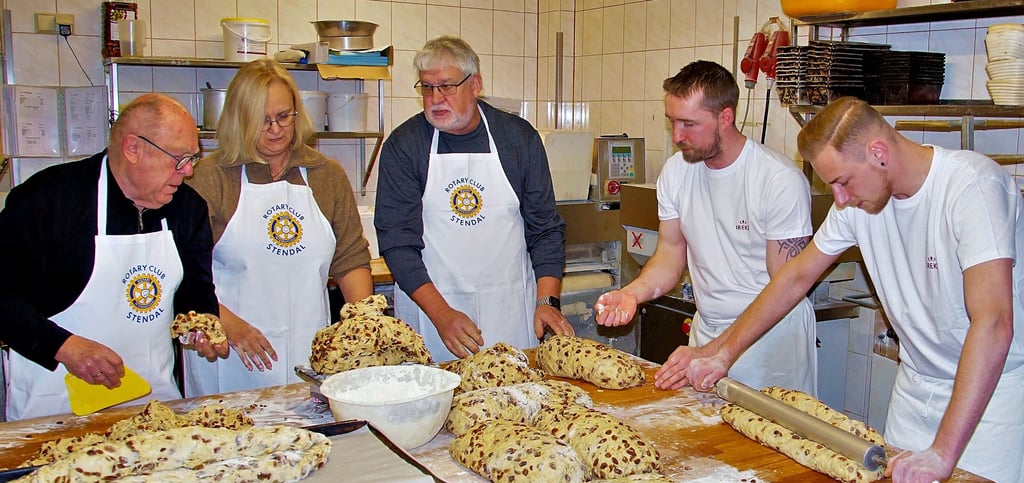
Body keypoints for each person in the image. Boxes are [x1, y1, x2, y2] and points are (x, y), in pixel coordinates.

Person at [675, 96, 1024, 483]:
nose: (838, 198)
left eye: (841, 181)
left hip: (993, 391)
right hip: (919, 382)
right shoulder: (860, 203)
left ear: (879, 152)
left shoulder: (970, 186)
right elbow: (795, 278)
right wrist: (722, 352)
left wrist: (944, 453)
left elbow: (993, 323)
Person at [0, 93, 227, 420]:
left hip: (154, 405)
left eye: (191, 157)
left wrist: (202, 321)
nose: (188, 171)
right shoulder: (51, 199)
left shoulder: (187, 208)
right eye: (178, 159)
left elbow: (196, 286)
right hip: (54, 404)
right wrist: (64, 347)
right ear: (133, 148)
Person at [595, 60, 817, 394]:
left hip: (769, 341)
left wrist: (719, 350)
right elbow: (669, 256)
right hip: (707, 332)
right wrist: (631, 294)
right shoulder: (677, 172)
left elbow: (786, 287)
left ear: (725, 118)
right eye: (672, 122)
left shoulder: (777, 180)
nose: (676, 136)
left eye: (688, 124)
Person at [374, 35, 574, 362]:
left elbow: (546, 230)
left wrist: (546, 301)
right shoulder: (405, 145)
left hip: (509, 310)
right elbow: (397, 243)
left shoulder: (517, 139)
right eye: (426, 88)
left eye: (447, 86)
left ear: (475, 84)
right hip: (432, 313)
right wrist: (440, 315)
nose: (436, 98)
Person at [186, 59, 373, 395]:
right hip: (231, 354)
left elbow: (350, 258)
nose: (275, 129)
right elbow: (183, 271)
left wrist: (364, 327)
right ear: (238, 119)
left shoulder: (325, 174)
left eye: (284, 117)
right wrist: (226, 324)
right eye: (262, 120)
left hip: (308, 349)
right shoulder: (211, 177)